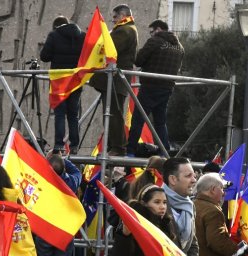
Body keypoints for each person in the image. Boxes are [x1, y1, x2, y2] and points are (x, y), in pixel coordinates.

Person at [28, 153, 83, 256]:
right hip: (64, 233)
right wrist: (63, 158)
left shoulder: (42, 185)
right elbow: (77, 172)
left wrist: (46, 162)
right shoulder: (71, 182)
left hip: (45, 232)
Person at [126, 19, 185, 155]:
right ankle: (164, 149)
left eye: (152, 32)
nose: (151, 34)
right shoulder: (180, 47)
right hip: (167, 87)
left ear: (158, 29)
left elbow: (138, 60)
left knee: (138, 119)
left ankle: (130, 151)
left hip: (150, 86)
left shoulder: (155, 41)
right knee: (160, 121)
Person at [89, 4, 138, 156]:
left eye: (115, 17)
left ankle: (118, 147)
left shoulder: (125, 30)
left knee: (113, 114)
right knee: (110, 114)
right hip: (115, 80)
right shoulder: (127, 29)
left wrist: (99, 37)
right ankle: (113, 147)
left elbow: (110, 47)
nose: (113, 20)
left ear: (123, 16)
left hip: (116, 80)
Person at [40, 16, 86, 153]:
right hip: (75, 80)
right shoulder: (82, 36)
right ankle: (74, 145)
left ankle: (59, 145)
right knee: (73, 114)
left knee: (60, 113)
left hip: (59, 80)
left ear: (56, 26)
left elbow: (44, 56)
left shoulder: (54, 35)